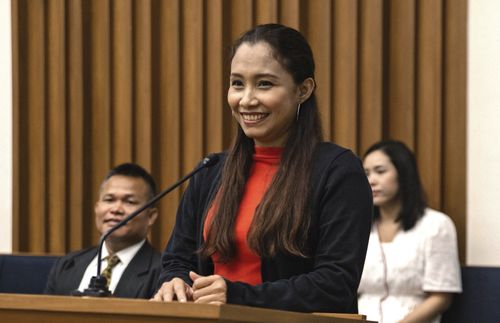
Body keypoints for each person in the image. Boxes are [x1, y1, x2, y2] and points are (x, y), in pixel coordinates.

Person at [152, 23, 373, 313]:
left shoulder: (338, 171)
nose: (246, 100)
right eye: (237, 83)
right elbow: (177, 260)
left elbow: (335, 283)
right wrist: (174, 282)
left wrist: (236, 295)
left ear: (303, 90)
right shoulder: (211, 170)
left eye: (265, 84)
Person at [358, 140, 462, 323]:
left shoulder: (436, 225)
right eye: (366, 173)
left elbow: (442, 297)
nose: (371, 180)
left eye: (380, 171)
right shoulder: (359, 227)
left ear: (403, 173)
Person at [45, 163, 161, 298]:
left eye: (129, 202)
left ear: (151, 216)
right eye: (109, 200)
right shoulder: (66, 265)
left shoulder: (163, 274)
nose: (116, 209)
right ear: (97, 208)